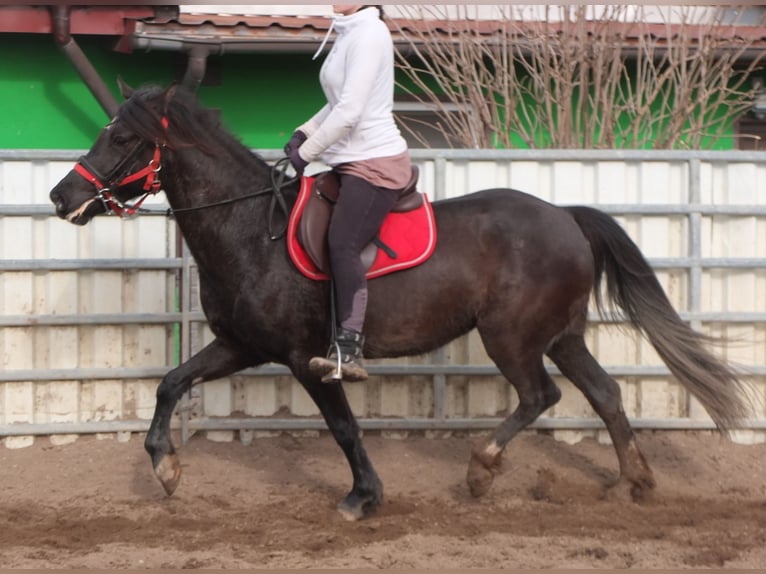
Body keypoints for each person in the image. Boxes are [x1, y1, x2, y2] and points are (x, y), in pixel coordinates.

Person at [284, 4, 412, 383]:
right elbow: (337, 104)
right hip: (349, 159)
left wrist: (307, 154)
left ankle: (349, 346)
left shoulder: (370, 34)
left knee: (342, 242)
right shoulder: (347, 33)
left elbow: (352, 111)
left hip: (374, 162)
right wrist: (304, 131)